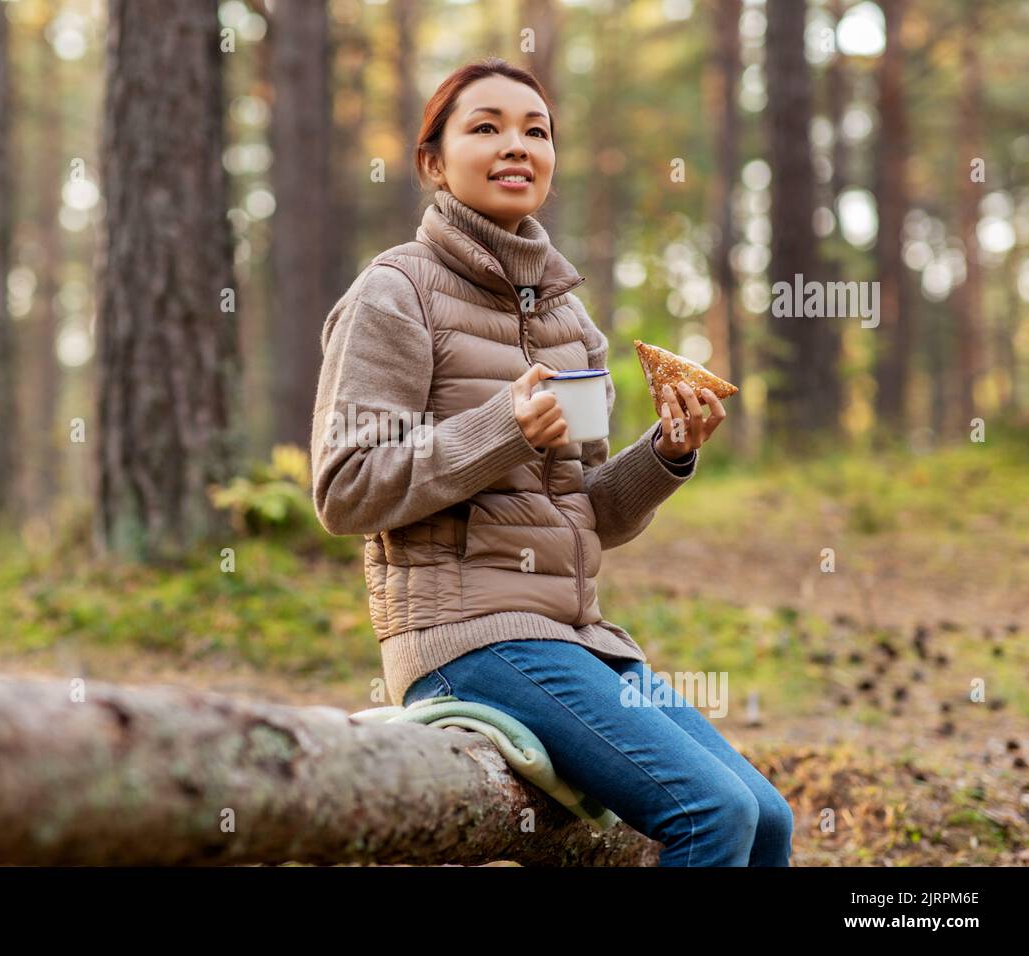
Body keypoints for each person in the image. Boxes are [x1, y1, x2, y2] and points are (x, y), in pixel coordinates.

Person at [309, 57, 793, 866]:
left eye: (536, 131)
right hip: (464, 640)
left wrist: (666, 453)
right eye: (486, 126)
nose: (516, 145)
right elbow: (344, 489)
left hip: (578, 640)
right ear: (433, 161)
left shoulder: (570, 323)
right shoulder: (395, 293)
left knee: (768, 818)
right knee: (711, 814)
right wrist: (503, 426)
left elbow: (587, 509)